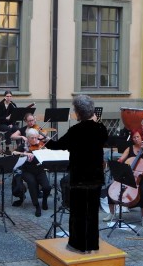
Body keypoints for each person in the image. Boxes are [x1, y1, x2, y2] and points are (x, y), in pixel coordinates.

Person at [45, 95, 108, 252]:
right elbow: (104, 137)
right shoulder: (101, 129)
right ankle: (92, 245)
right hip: (95, 178)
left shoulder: (75, 130)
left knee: (78, 213)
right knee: (92, 213)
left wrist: (44, 139)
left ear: (79, 112)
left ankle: (78, 245)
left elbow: (57, 145)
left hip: (79, 178)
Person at [105, 128, 143, 228]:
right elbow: (122, 159)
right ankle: (111, 213)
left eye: (137, 137)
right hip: (129, 175)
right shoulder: (129, 148)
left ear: (142, 137)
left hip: (142, 177)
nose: (135, 139)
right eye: (134, 137)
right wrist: (118, 162)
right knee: (110, 187)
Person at [12, 128, 51, 217]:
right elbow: (14, 153)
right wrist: (26, 154)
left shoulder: (41, 145)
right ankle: (36, 205)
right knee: (32, 183)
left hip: (40, 170)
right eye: (32, 138)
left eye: (35, 138)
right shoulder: (24, 146)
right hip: (27, 171)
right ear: (28, 138)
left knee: (47, 187)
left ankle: (44, 199)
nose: (34, 140)